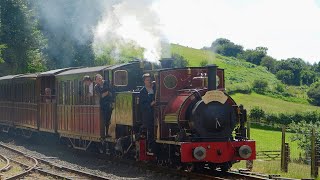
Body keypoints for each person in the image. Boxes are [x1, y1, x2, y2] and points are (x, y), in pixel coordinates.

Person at [139, 73, 156, 152]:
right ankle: (150, 146)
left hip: (156, 112)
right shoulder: (143, 91)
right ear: (144, 82)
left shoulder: (155, 89)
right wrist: (150, 104)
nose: (149, 81)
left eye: (150, 80)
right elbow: (142, 105)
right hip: (147, 114)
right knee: (150, 129)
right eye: (147, 80)